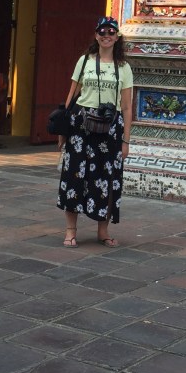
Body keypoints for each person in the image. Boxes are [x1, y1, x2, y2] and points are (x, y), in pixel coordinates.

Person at [57, 15, 134, 248]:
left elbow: (127, 106)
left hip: (110, 128)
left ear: (117, 37)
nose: (106, 36)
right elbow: (72, 95)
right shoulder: (84, 62)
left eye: (111, 32)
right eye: (102, 32)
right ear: (96, 35)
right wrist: (62, 129)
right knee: (74, 175)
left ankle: (103, 230)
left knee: (107, 179)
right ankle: (71, 230)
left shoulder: (124, 68)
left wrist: (126, 140)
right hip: (81, 125)